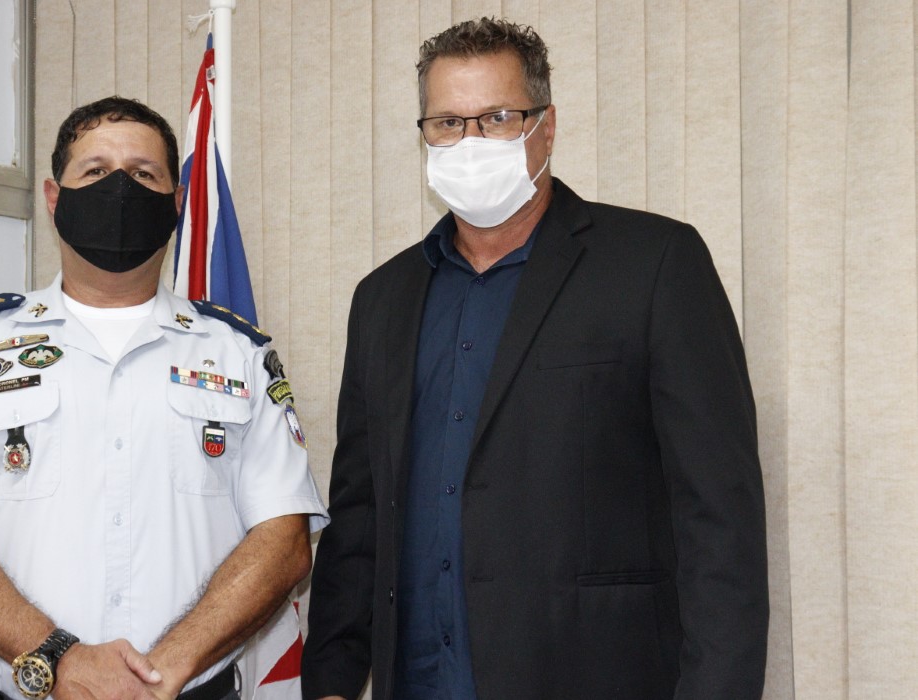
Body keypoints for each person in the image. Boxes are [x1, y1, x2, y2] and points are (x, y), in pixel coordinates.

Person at [302, 17, 768, 700]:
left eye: (497, 118)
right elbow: (360, 517)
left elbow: (719, 520)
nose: (470, 142)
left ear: (546, 128)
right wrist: (333, 682)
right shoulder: (382, 298)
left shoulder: (655, 265)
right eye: (448, 123)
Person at [0, 96, 329, 700]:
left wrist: (164, 670)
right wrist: (59, 659)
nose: (120, 189)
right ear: (53, 197)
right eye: (95, 171)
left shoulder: (238, 352)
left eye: (143, 174)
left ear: (176, 202)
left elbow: (283, 541)